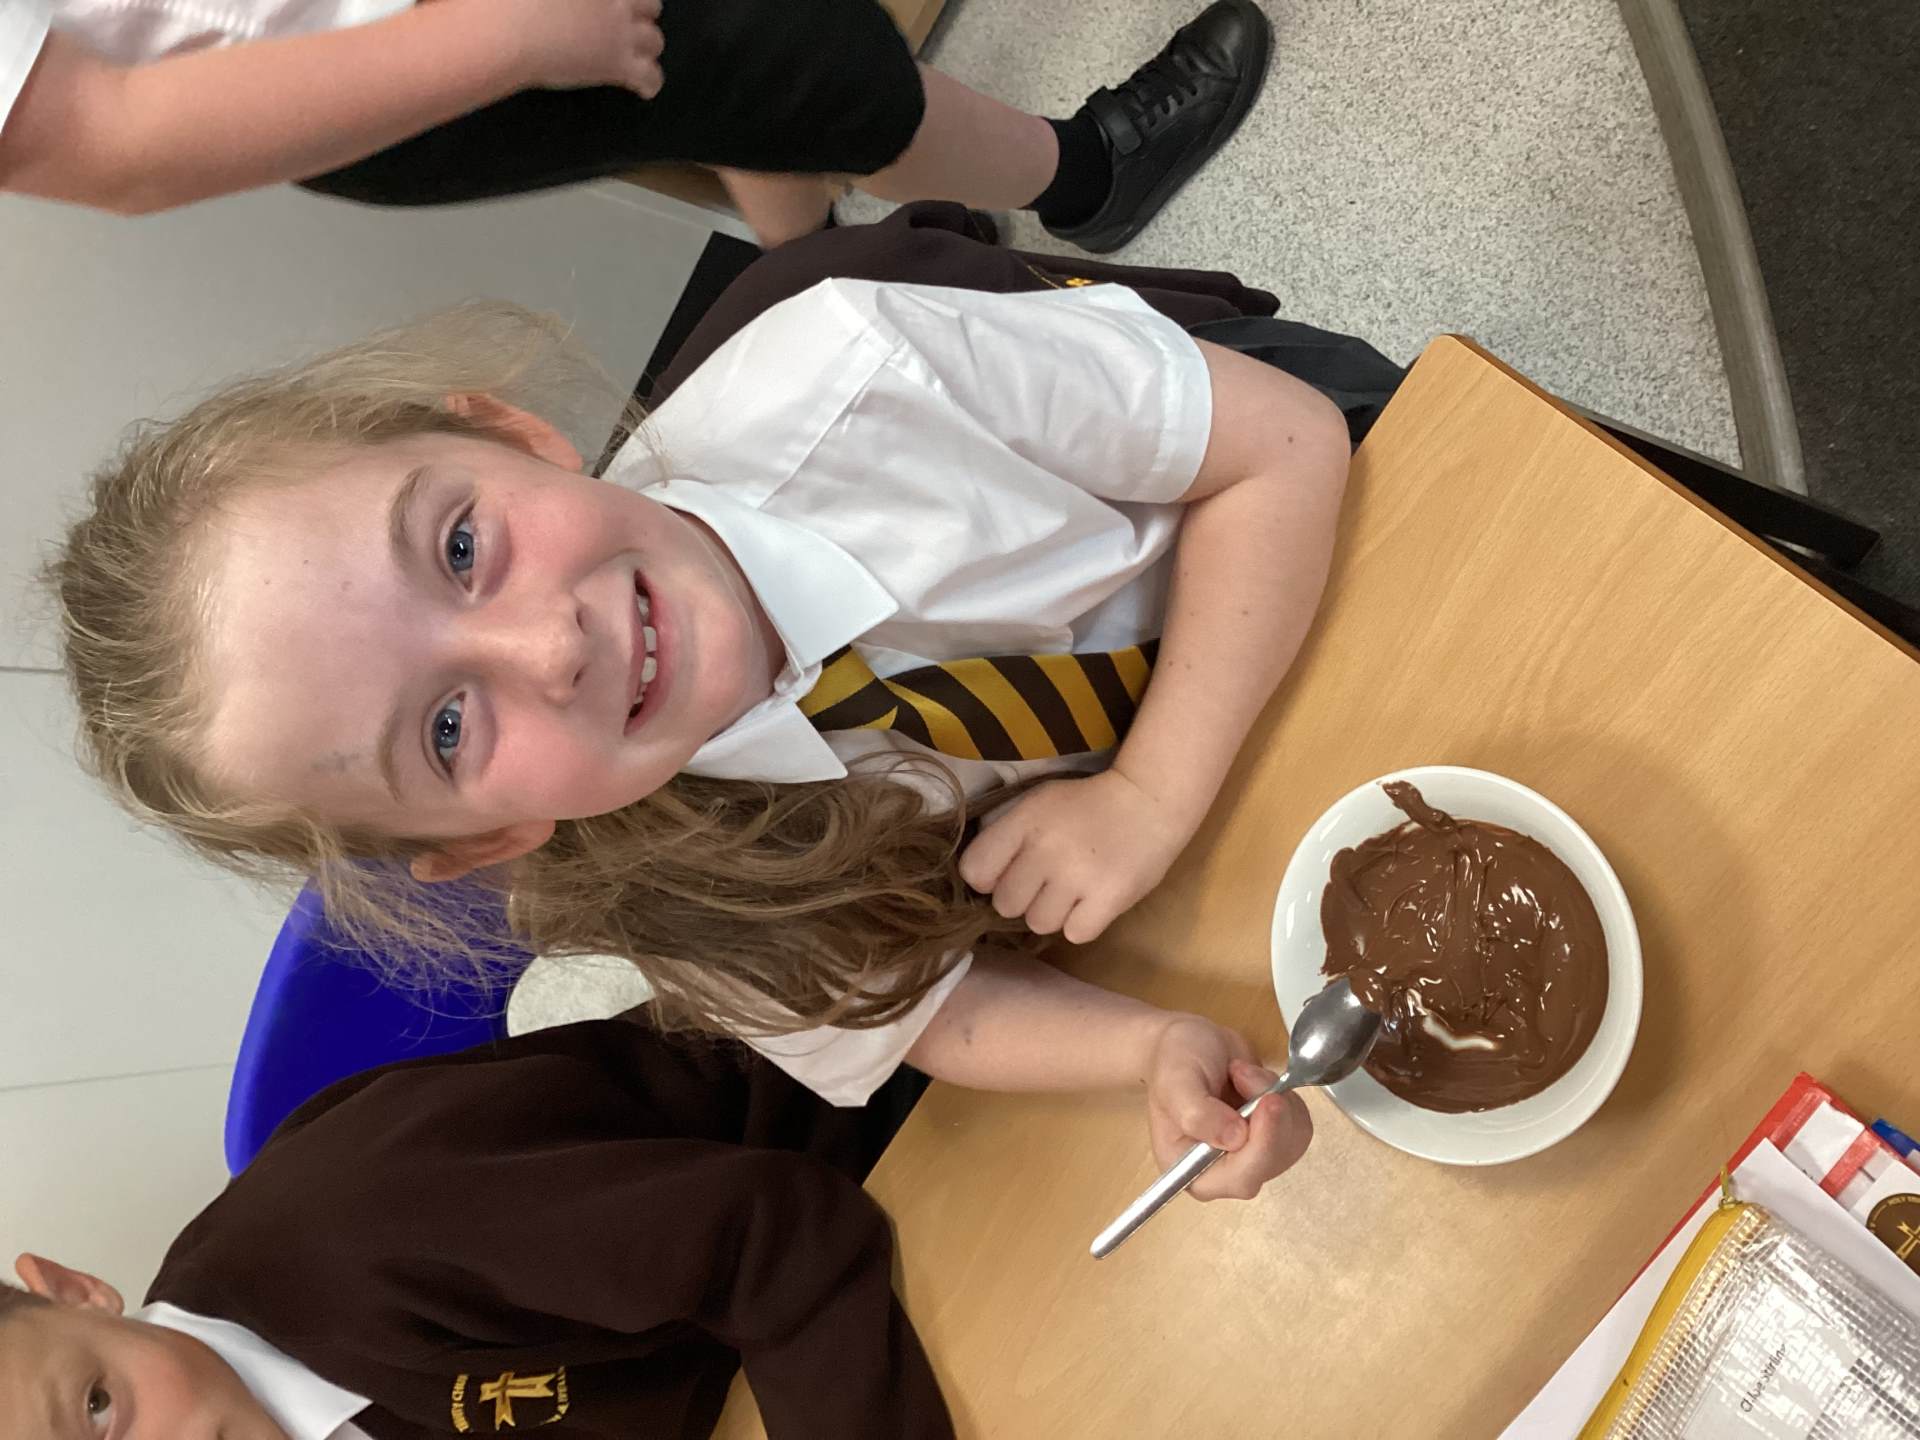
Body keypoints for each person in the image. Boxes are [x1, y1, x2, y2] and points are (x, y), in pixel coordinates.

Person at [49, 228, 1350, 1193]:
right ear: (491, 836)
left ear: (511, 435)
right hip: (1253, 854)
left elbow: (1285, 448)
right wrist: (1148, 1047)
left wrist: (1149, 794)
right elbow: (929, 1012)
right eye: (446, 730)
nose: (548, 645)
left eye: (459, 547)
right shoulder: (670, 892)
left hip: (1323, 568)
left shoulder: (861, 369)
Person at [0, 1019, 957, 1438]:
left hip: (890, 1125)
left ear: (76, 1293)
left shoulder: (358, 1227)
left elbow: (767, 1235)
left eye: (99, 1407)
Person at [0, 0, 1271, 251]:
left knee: (748, 95)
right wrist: (511, 35)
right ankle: (1088, 177)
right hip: (379, 52)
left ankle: (847, 269)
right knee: (810, 65)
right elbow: (109, 144)